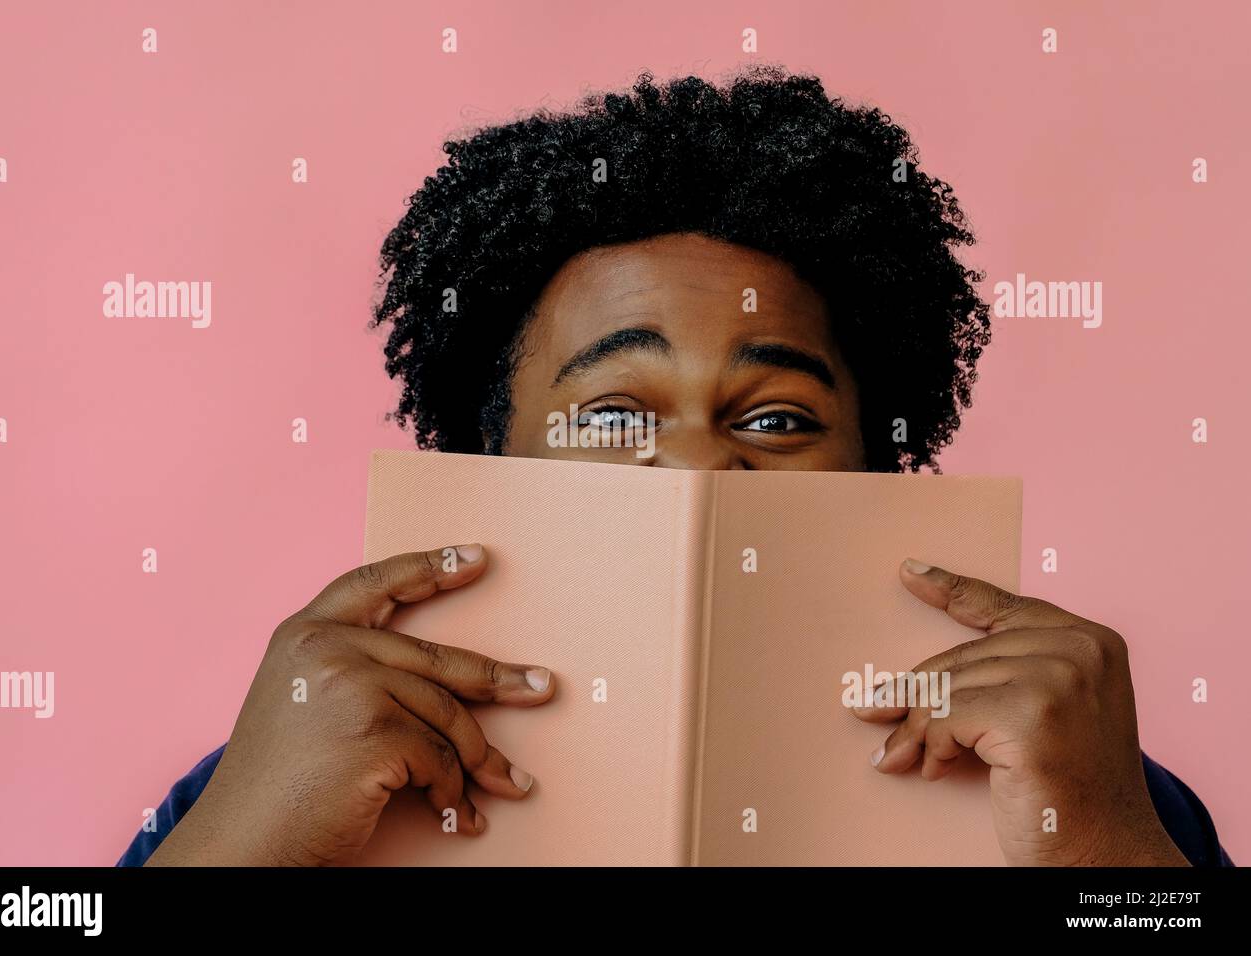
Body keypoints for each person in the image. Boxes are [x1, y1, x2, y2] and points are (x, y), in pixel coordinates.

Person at [121, 67, 1231, 867]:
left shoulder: (1086, 780)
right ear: (484, 456)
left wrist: (1113, 864)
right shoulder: (273, 778)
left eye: (783, 417)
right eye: (610, 414)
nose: (697, 465)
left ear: (880, 469)